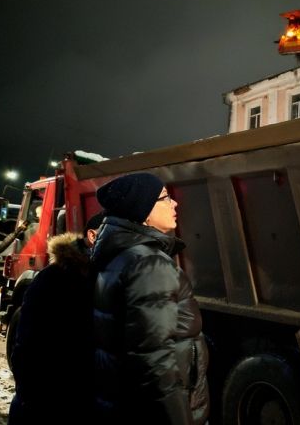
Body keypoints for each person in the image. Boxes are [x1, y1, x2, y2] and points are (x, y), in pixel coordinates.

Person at [92, 172, 209, 425]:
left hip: (125, 405)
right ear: (143, 212)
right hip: (152, 412)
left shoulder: (121, 257)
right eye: (165, 198)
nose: (174, 203)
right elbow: (154, 358)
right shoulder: (149, 263)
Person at [7, 212, 105, 425]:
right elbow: (27, 347)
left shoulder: (102, 275)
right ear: (93, 236)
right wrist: (30, 398)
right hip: (49, 405)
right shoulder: (56, 277)